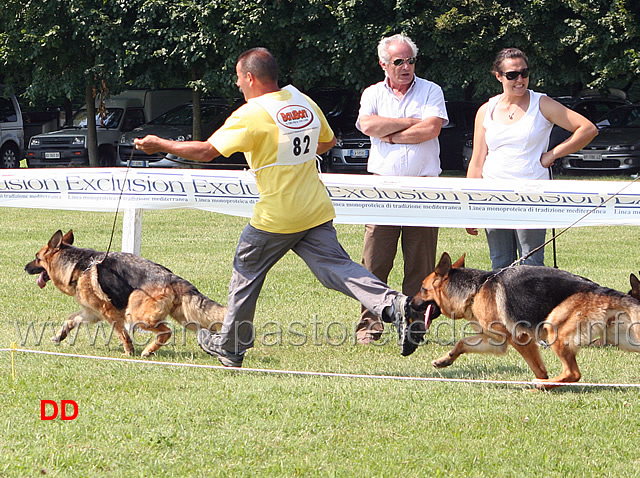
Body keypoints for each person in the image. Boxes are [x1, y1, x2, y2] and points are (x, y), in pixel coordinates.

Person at [134, 47, 431, 367]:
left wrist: (159, 144)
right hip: (314, 208)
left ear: (250, 77)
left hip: (275, 217)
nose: (237, 85)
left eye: (238, 78)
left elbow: (207, 152)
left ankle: (231, 347)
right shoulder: (301, 99)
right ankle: (396, 305)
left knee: (245, 273)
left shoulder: (251, 114)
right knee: (340, 270)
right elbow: (327, 141)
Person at [466, 47, 598, 269]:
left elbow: (587, 129)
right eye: (512, 75)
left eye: (524, 73)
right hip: (492, 196)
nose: (520, 79)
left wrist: (551, 155)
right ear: (498, 76)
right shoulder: (485, 110)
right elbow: (477, 160)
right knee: (499, 263)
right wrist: (470, 206)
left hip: (531, 195)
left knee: (532, 263)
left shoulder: (542, 103)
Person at [354, 34, 448, 344]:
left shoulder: (431, 90)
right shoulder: (371, 93)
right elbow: (367, 126)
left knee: (420, 265)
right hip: (382, 188)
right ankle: (369, 326)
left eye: (410, 61)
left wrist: (390, 133)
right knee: (375, 261)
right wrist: (409, 122)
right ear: (384, 64)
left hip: (423, 188)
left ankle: (413, 326)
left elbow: (431, 128)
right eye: (399, 62)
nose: (406, 67)